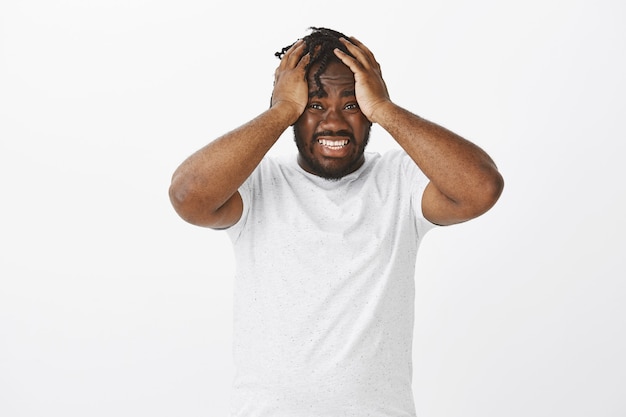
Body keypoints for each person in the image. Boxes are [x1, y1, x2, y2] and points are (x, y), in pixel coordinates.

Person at [169, 27, 503, 417]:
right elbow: (187, 196)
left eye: (351, 105)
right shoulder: (257, 186)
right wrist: (279, 112)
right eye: (313, 105)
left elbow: (482, 188)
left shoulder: (400, 182)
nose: (334, 122)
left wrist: (385, 108)